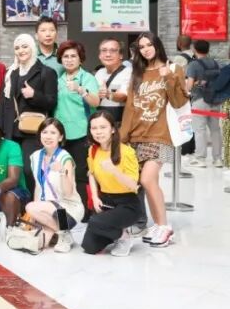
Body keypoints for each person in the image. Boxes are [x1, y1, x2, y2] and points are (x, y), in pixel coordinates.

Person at [119, 32, 187, 248]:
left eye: (149, 45)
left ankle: (165, 227)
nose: (146, 49)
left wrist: (168, 77)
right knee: (147, 183)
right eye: (142, 47)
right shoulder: (137, 73)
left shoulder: (173, 68)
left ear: (157, 45)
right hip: (137, 135)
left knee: (148, 179)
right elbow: (130, 108)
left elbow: (179, 102)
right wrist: (122, 137)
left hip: (160, 134)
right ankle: (158, 225)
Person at [0, 33, 58, 193]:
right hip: (11, 130)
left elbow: (52, 102)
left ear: (32, 47)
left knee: (29, 170)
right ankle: (18, 202)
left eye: (25, 46)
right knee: (12, 172)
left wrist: (34, 95)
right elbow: (4, 104)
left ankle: (36, 201)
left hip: (33, 130)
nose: (21, 51)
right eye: (17, 48)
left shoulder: (46, 72)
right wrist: (2, 129)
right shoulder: (11, 73)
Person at [20, 119, 85, 254]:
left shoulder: (65, 157)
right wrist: (35, 216)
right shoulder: (35, 156)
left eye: (53, 133)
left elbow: (68, 193)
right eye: (44, 132)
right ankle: (62, 232)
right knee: (39, 244)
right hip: (47, 207)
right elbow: (38, 186)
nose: (48, 136)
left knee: (29, 206)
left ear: (60, 137)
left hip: (68, 207)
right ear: (39, 135)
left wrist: (62, 172)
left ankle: (64, 234)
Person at [84, 110, 143, 256]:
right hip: (106, 200)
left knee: (95, 221)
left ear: (112, 129)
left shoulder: (126, 151)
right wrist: (95, 197)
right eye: (94, 128)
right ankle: (115, 231)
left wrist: (114, 170)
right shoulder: (93, 150)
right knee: (89, 247)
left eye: (103, 127)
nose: (98, 132)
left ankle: (124, 237)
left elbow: (133, 185)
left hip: (127, 203)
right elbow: (91, 174)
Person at [53, 41, 99, 210]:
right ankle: (67, 209)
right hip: (61, 135)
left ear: (80, 59)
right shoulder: (58, 79)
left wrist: (81, 89)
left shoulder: (87, 78)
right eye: (65, 56)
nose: (69, 59)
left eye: (73, 56)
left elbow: (96, 101)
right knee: (61, 172)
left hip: (81, 133)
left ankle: (85, 211)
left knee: (80, 174)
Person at [185, 39, 222, 168]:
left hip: (200, 101)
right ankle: (218, 159)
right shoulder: (216, 63)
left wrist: (188, 87)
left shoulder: (193, 65)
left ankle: (200, 159)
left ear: (194, 49)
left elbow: (189, 86)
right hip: (215, 101)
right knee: (215, 130)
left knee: (200, 130)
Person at [94, 38, 131, 124]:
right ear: (100, 55)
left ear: (121, 55)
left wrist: (109, 94)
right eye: (104, 50)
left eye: (113, 51)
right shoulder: (99, 73)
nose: (108, 54)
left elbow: (124, 96)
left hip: (119, 123)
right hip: (100, 122)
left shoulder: (128, 72)